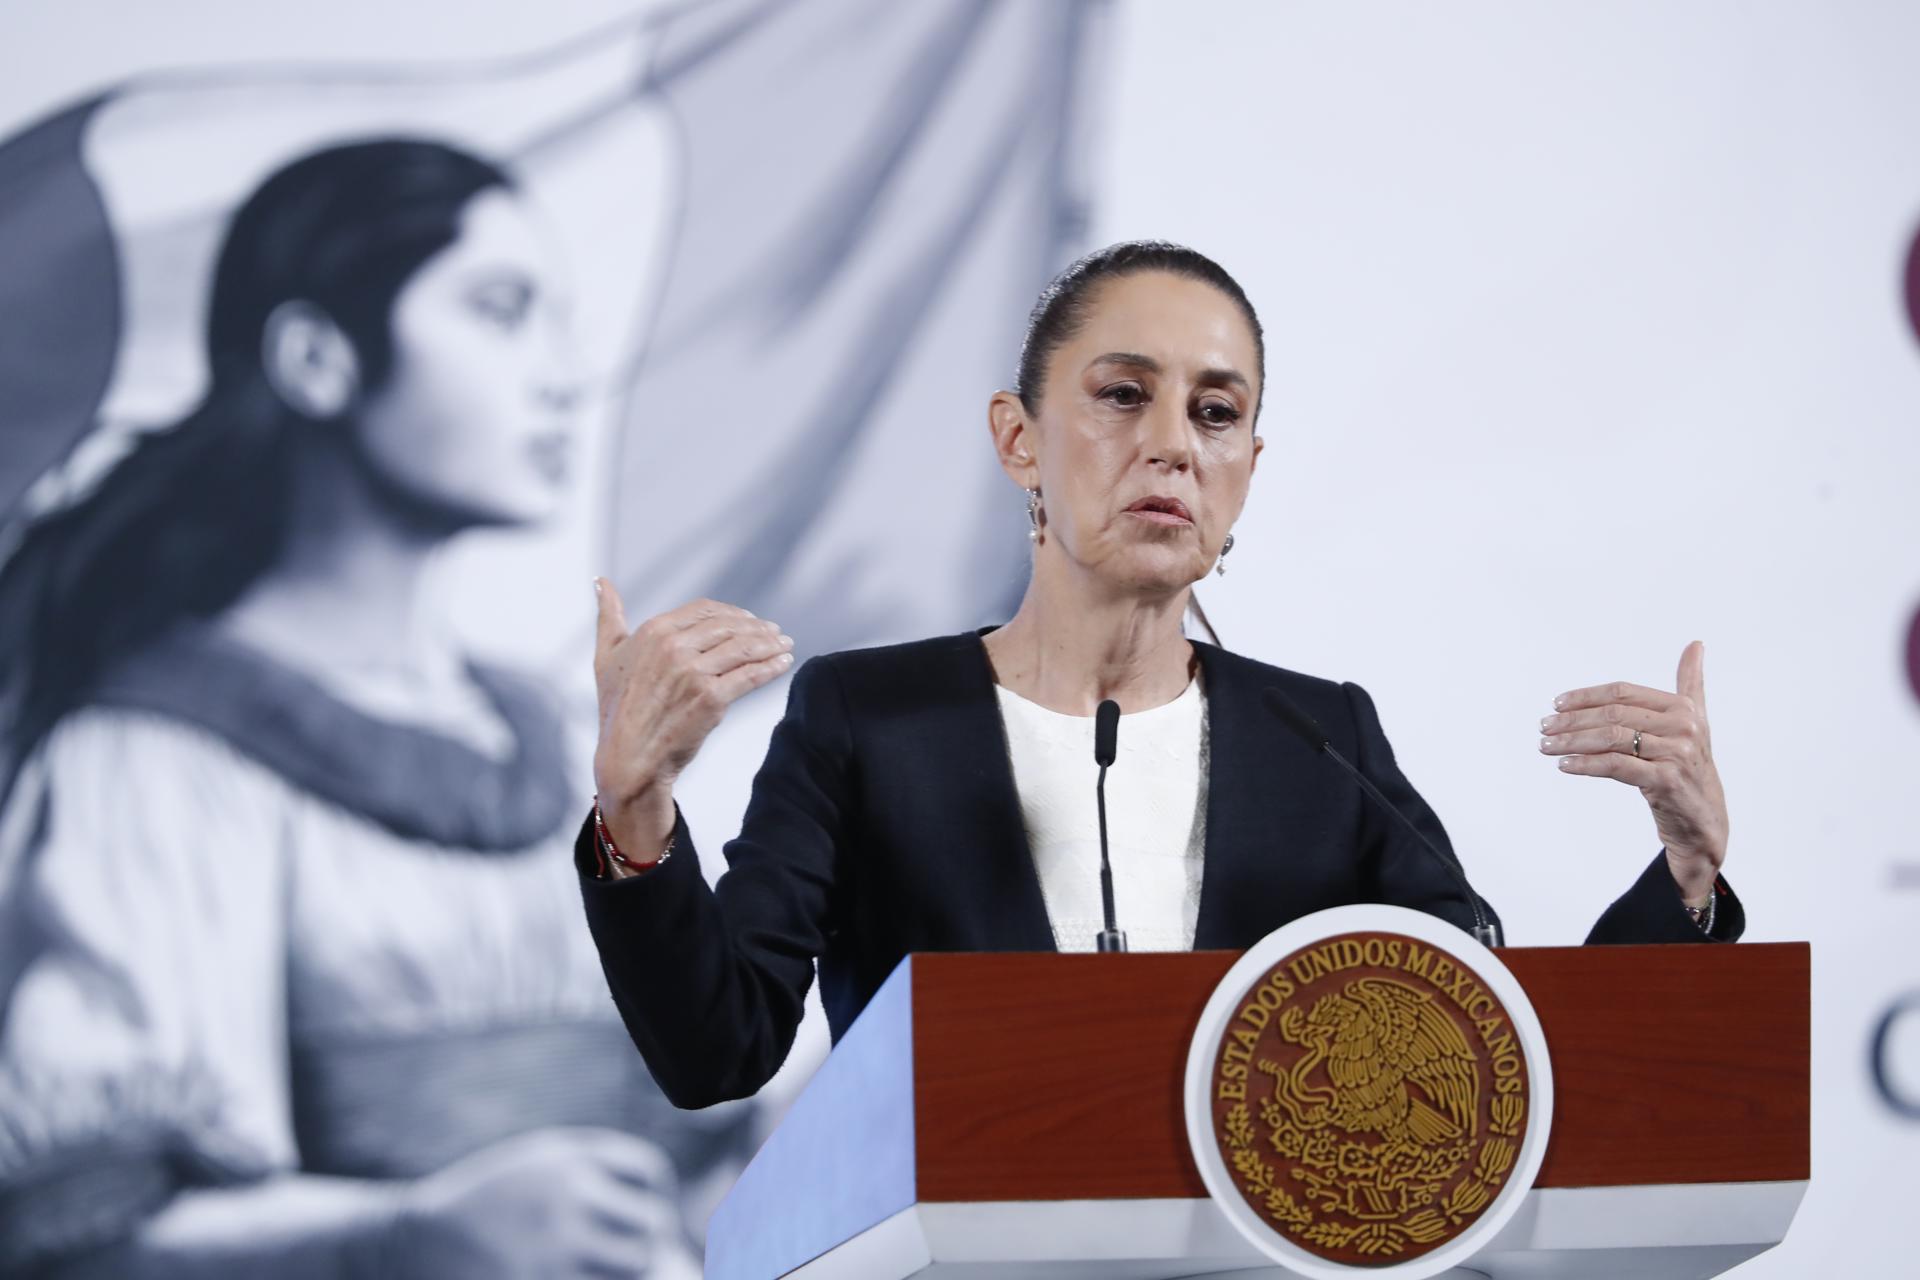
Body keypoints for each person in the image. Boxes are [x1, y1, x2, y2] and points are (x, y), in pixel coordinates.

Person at [580, 240, 1740, 1111]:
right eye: (1124, 393)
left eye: (1217, 411)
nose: (1175, 442)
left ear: (1246, 467)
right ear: (1019, 436)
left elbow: (1490, 1047)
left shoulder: (1319, 735)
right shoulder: (867, 717)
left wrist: (1685, 876)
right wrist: (635, 813)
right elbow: (717, 1049)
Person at [0, 140, 743, 1277]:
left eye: (556, 317)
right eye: (499, 311)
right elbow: (80, 1232)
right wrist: (404, 1233)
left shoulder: (550, 736)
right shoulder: (154, 758)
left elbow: (685, 1134)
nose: (561, 373)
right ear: (316, 357)